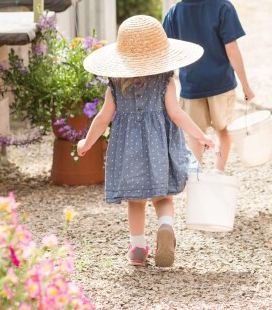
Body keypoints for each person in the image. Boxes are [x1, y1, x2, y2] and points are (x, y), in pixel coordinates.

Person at [78, 15, 215, 268]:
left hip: (128, 151)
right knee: (163, 197)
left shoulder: (115, 85)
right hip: (159, 148)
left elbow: (103, 117)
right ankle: (165, 227)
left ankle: (138, 248)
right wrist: (201, 135)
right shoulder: (165, 80)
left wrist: (86, 142)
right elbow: (176, 113)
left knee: (135, 201)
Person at [162, 0, 255, 173]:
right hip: (221, 85)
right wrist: (246, 85)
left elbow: (167, 55)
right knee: (223, 131)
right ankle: (219, 172)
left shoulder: (174, 13)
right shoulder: (223, 8)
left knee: (196, 135)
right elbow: (232, 51)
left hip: (191, 86)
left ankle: (198, 176)